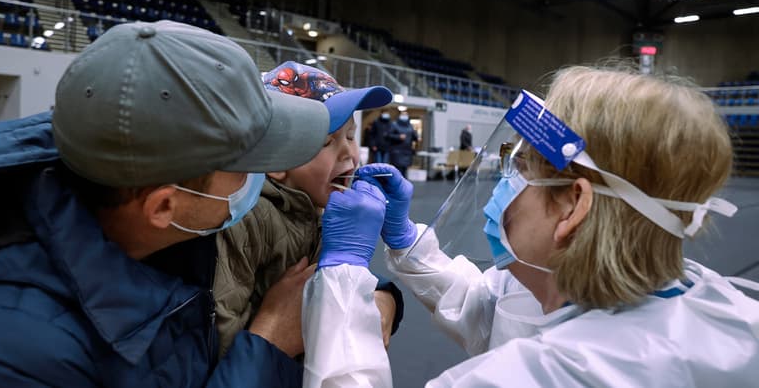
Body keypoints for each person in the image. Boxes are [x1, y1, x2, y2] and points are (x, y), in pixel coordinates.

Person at [302, 66, 759, 387]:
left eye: (519, 168)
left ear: (574, 205)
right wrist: (408, 242)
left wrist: (343, 278)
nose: (505, 184)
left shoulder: (538, 378)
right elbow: (491, 309)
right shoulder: (719, 315)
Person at [0, 21, 333, 387]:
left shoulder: (145, 211)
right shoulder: (10, 354)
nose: (262, 177)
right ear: (163, 207)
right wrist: (269, 342)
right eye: (248, 168)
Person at [213, 61, 404, 356]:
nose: (348, 153)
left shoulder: (318, 209)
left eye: (351, 136)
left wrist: (383, 294)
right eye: (326, 142)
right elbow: (221, 342)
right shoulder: (247, 221)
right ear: (276, 162)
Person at [387, 112, 418, 178]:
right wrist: (398, 137)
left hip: (407, 151)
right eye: (403, 115)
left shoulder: (410, 125)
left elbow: (414, 137)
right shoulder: (394, 124)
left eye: (406, 115)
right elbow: (388, 135)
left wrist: (415, 134)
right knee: (398, 170)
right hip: (397, 151)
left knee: (404, 170)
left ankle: (403, 183)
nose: (404, 116)